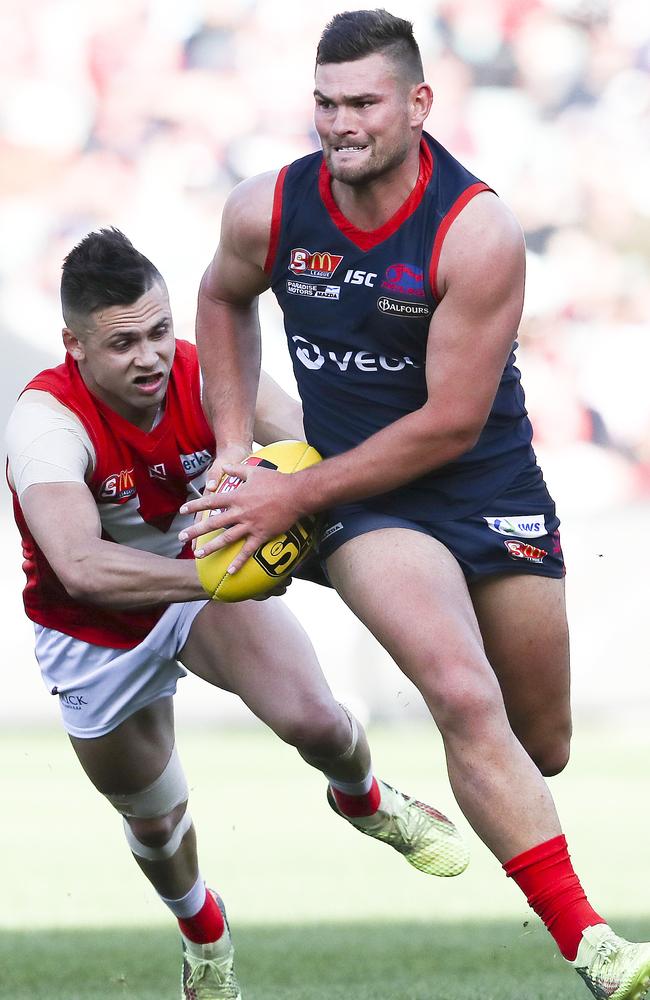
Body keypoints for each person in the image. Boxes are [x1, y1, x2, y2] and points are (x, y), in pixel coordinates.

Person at [182, 10, 650, 999]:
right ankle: (594, 948)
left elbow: (446, 425)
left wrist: (287, 491)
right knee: (460, 690)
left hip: (485, 487)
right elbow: (222, 297)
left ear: (417, 104)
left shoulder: (474, 229)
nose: (338, 123)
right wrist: (236, 452)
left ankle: (471, 794)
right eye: (323, 102)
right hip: (364, 497)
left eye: (361, 103)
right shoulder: (265, 208)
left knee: (541, 742)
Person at [5, 227, 471, 1000]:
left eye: (160, 330)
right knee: (155, 823)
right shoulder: (44, 424)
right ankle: (206, 941)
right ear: (74, 345)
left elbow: (319, 455)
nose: (150, 356)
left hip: (200, 579)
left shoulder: (208, 374)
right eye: (123, 344)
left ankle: (368, 801)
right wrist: (220, 579)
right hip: (97, 630)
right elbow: (81, 568)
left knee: (317, 720)